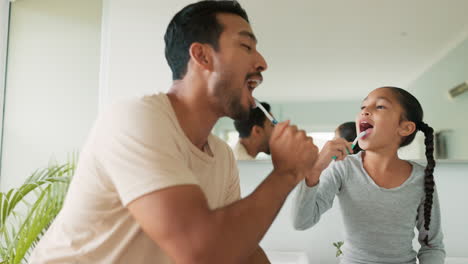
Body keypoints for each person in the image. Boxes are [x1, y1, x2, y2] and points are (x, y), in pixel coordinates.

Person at [29, 1, 319, 263]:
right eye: (246, 46)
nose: (262, 62)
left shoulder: (221, 156)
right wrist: (286, 173)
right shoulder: (137, 119)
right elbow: (200, 251)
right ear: (202, 56)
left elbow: (237, 246)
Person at [292, 87, 445, 264]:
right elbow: (301, 221)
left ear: (405, 128)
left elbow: (432, 245)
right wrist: (315, 170)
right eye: (363, 106)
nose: (365, 111)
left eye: (380, 106)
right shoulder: (343, 168)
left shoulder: (421, 179)